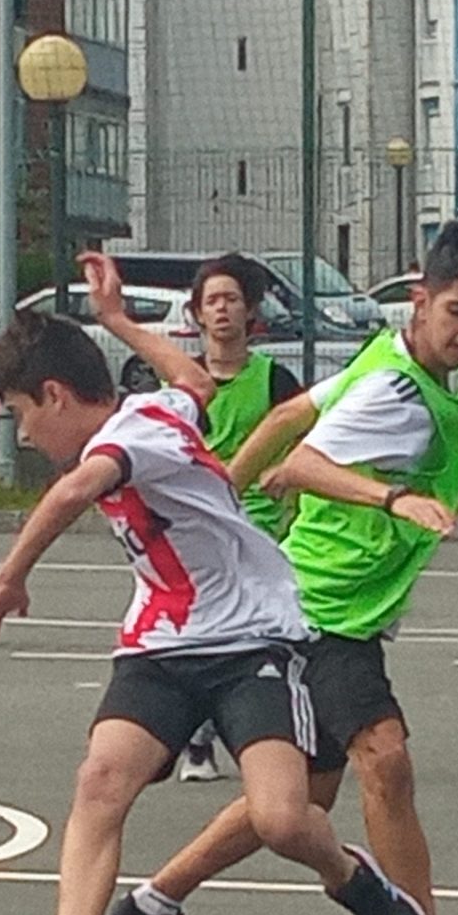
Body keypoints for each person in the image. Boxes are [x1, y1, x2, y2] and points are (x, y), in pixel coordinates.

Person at [0, 254, 428, 915]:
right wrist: (117, 320)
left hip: (249, 640)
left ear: (58, 397)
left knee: (280, 818)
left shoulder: (134, 434)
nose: (26, 435)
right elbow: (193, 380)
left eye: (25, 415)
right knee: (101, 780)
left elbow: (71, 494)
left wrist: (5, 582)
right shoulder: (164, 402)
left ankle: (354, 878)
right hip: (163, 642)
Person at [106, 222, 458, 915]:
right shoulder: (395, 391)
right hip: (319, 611)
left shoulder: (402, 365)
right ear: (422, 299)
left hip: (327, 603)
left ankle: (153, 906)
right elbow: (304, 462)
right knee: (384, 761)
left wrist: (220, 496)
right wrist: (393, 496)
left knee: (296, 803)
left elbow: (290, 414)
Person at [173, 251, 303, 783]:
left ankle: (271, 735)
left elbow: (308, 444)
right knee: (215, 639)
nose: (222, 310)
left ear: (250, 312)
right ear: (197, 314)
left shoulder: (276, 380)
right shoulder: (183, 386)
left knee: (275, 637)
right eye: (212, 301)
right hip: (203, 531)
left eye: (231, 299)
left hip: (267, 530)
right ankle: (200, 735)